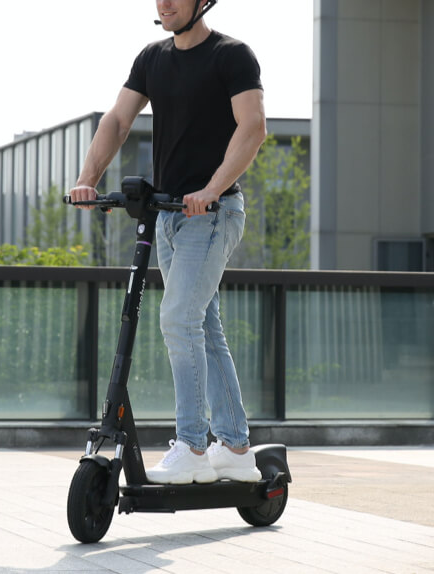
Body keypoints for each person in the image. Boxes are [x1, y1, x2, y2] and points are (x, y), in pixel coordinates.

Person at [68, 0, 266, 484]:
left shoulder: (231, 55)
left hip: (213, 213)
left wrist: (212, 189)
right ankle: (235, 447)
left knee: (178, 319)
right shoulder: (152, 58)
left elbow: (253, 127)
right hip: (169, 217)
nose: (165, 2)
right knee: (204, 326)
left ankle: (193, 446)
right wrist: (88, 179)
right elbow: (117, 120)